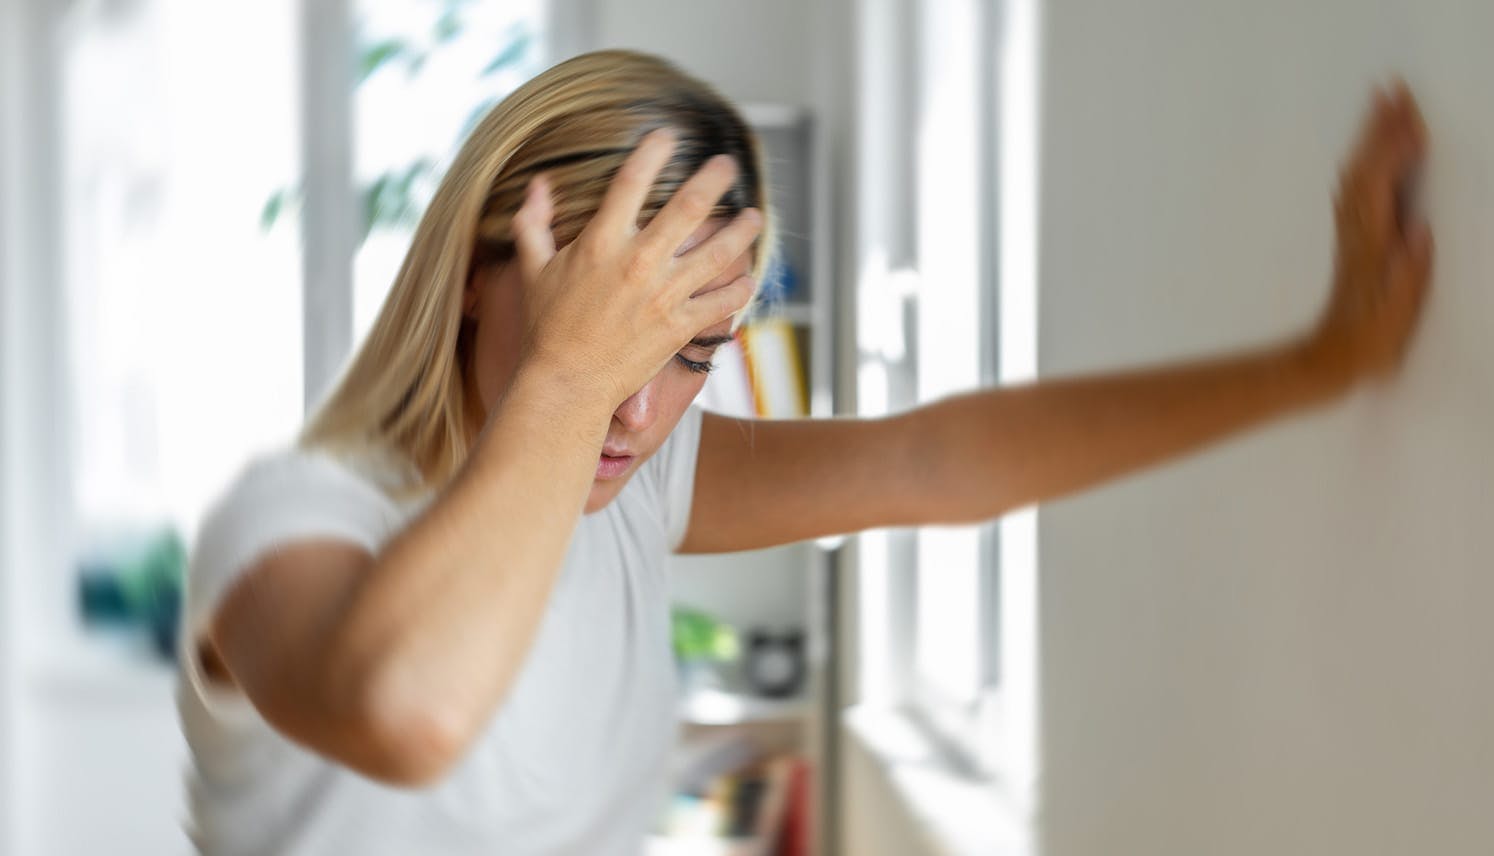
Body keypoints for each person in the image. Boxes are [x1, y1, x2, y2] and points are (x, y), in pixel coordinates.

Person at [178, 49, 1431, 855]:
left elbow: (937, 462)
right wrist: (566, 374)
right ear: (471, 273)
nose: (634, 409)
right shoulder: (287, 521)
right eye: (601, 326)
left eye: (691, 350)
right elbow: (411, 708)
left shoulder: (627, 488)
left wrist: (1323, 361)